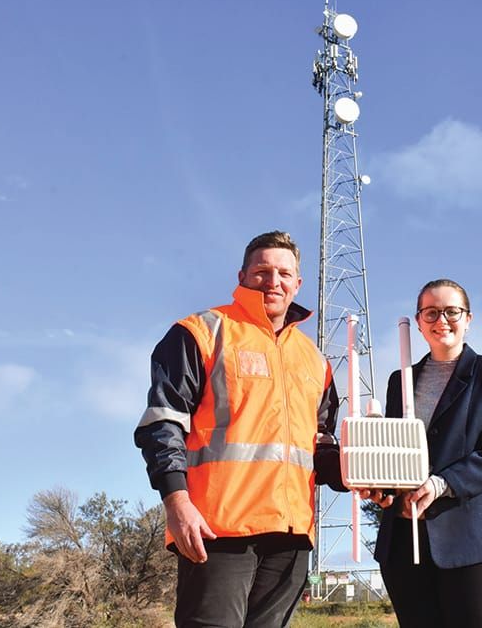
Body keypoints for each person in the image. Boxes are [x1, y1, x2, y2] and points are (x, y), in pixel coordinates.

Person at [135, 230, 345, 628]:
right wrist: (177, 504)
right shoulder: (201, 331)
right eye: (262, 271)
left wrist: (363, 473)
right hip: (216, 529)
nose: (273, 281)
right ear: (242, 275)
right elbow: (162, 423)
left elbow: (320, 444)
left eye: (284, 273)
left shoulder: (315, 361)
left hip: (291, 534)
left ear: (298, 283)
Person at [362, 278, 482, 628]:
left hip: (478, 544)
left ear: (468, 319)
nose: (442, 320)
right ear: (419, 321)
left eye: (452, 311)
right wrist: (380, 486)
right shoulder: (401, 381)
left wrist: (443, 483)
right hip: (406, 544)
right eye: (431, 312)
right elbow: (397, 455)